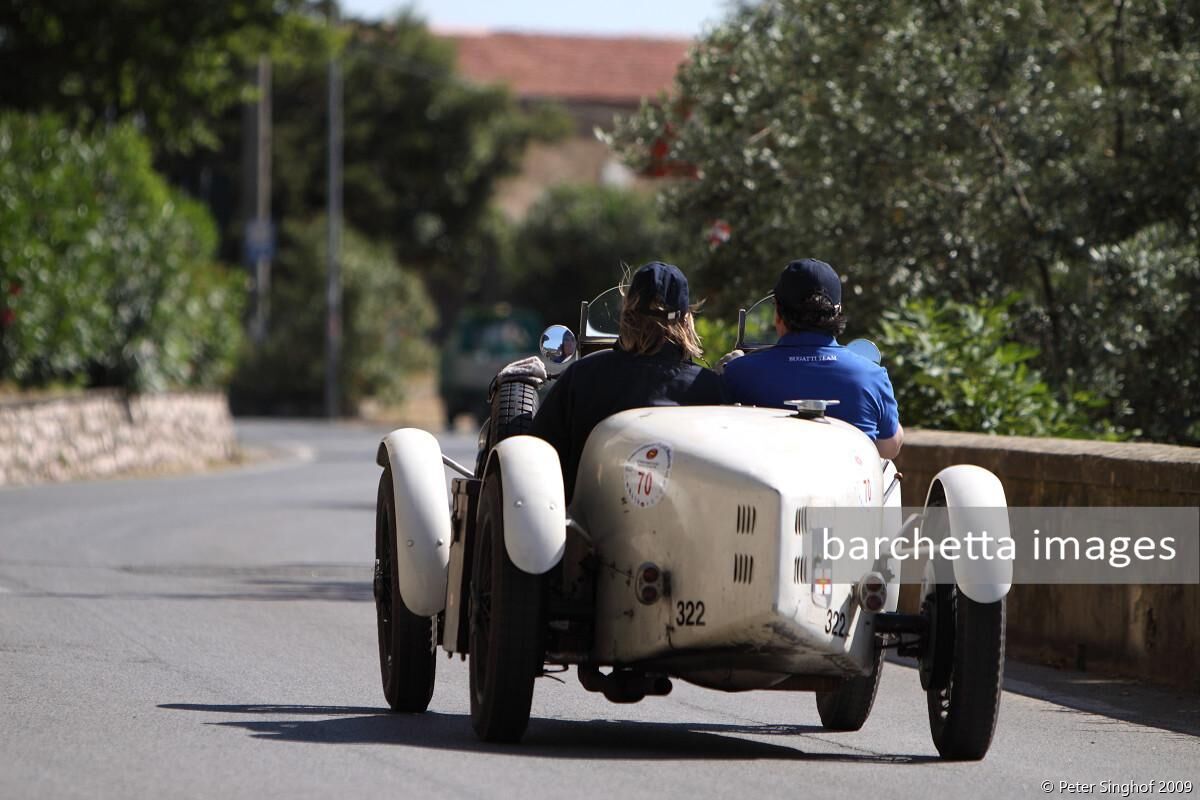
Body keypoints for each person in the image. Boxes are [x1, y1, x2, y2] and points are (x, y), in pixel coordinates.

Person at [496, 261, 725, 502]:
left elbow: (534, 458)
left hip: (586, 522)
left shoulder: (582, 376)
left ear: (627, 313)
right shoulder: (708, 387)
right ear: (685, 321)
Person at [720, 258, 904, 459]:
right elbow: (890, 447)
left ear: (778, 314)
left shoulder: (738, 373)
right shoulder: (871, 375)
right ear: (837, 312)